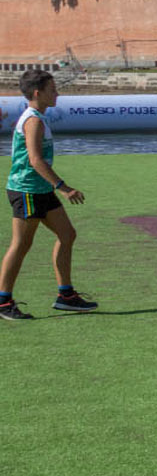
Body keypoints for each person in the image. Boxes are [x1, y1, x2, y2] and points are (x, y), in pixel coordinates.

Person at [0, 70, 96, 320]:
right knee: (21, 245)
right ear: (37, 93)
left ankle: (66, 296)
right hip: (27, 190)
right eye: (52, 89)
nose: (57, 93)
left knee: (67, 234)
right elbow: (35, 160)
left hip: (39, 189)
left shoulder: (38, 118)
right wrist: (64, 188)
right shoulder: (33, 120)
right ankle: (3, 302)